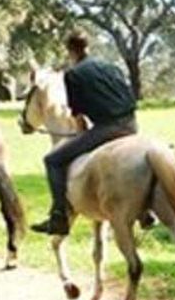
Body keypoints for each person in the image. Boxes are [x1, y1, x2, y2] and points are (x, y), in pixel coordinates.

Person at [28, 32, 139, 236]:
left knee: (52, 160)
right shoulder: (111, 67)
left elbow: (78, 117)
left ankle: (59, 215)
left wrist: (82, 137)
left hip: (107, 128)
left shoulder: (73, 75)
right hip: (132, 125)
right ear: (89, 46)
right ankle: (146, 212)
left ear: (70, 51)